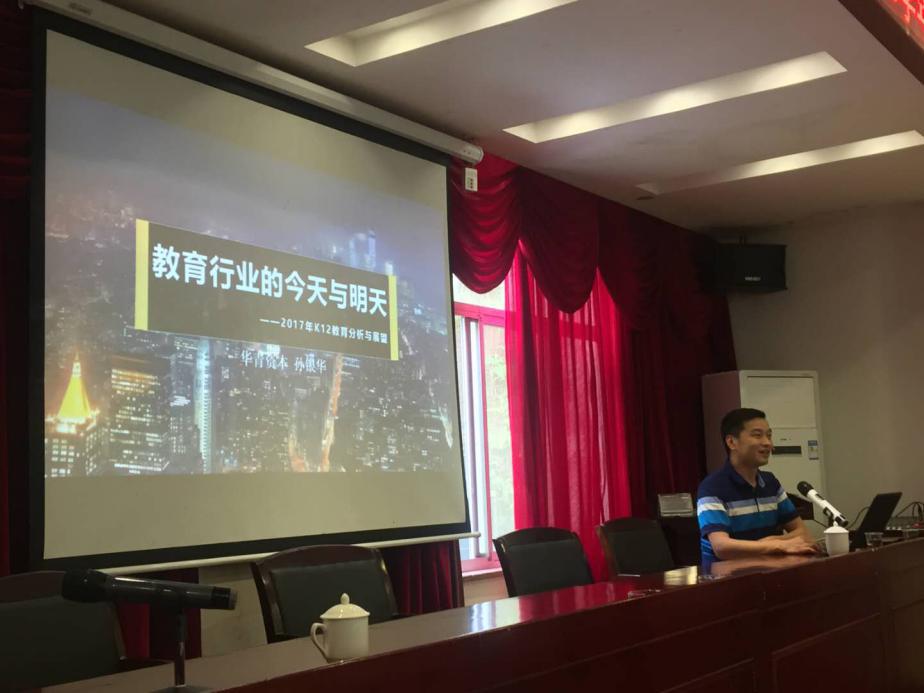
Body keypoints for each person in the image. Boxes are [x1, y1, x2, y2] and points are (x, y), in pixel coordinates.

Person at [697, 408, 817, 562]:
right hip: (728, 574)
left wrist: (770, 541)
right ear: (731, 442)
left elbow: (803, 533)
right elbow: (722, 547)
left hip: (771, 571)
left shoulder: (770, 482)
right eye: (757, 435)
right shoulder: (712, 487)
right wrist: (778, 545)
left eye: (769, 435)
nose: (768, 443)